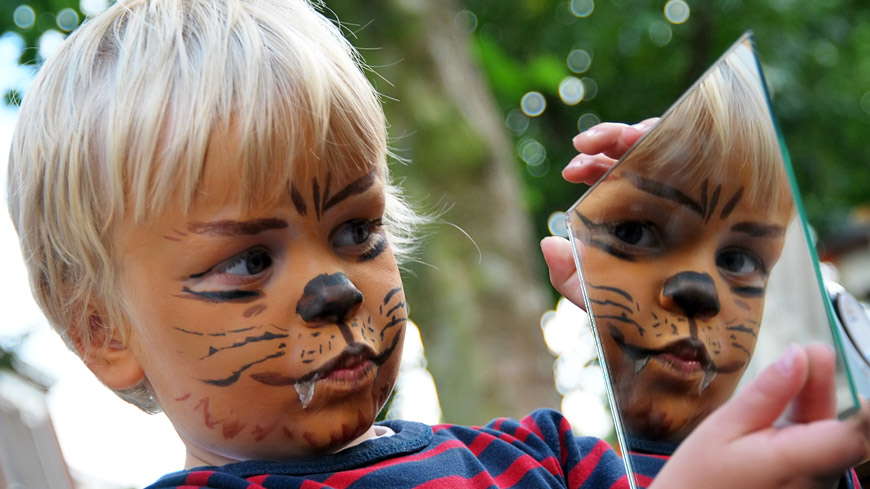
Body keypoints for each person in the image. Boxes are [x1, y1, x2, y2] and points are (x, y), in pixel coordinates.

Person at [7, 0, 869, 488]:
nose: (336, 289)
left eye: (356, 230)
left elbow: (771, 464)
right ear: (103, 331)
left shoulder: (541, 460)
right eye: (251, 259)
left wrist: (708, 317)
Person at [566, 39, 796, 447]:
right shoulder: (538, 462)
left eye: (739, 260)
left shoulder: (816, 468)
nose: (698, 289)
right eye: (633, 232)